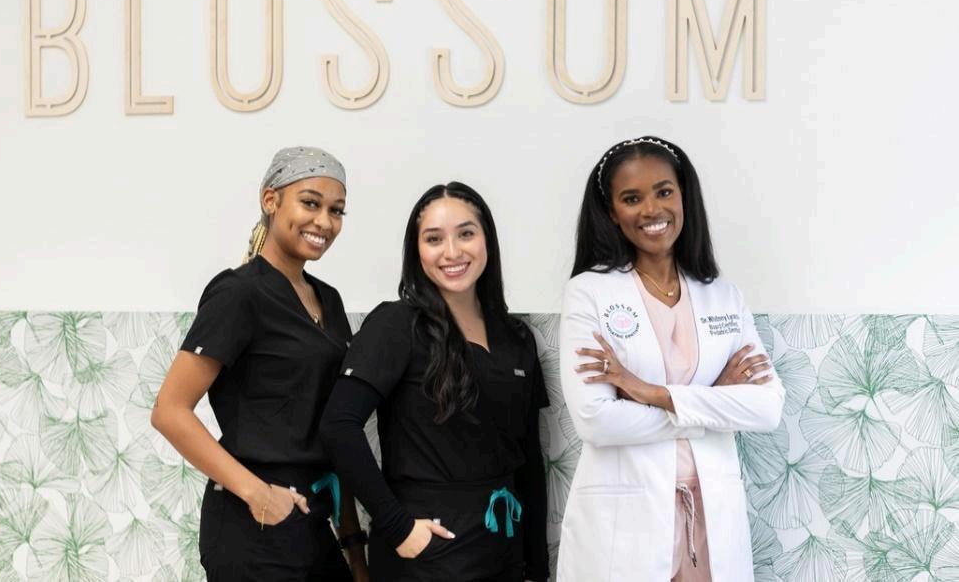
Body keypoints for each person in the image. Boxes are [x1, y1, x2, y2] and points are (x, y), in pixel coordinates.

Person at [556, 137, 785, 582]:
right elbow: (596, 421)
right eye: (631, 198)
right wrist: (711, 403)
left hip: (711, 517)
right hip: (627, 522)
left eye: (663, 191)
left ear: (683, 196)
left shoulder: (723, 296)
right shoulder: (589, 292)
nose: (651, 209)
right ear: (611, 212)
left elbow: (767, 407)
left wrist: (651, 393)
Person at [151, 147, 368, 582]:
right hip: (254, 525)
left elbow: (336, 426)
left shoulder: (329, 299)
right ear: (271, 200)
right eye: (310, 203)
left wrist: (353, 549)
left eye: (336, 210)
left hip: (316, 520)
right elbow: (169, 411)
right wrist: (258, 494)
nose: (324, 222)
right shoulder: (238, 293)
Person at [320, 182, 549, 582]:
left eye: (466, 233)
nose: (452, 251)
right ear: (417, 251)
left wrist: (537, 567)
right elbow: (338, 425)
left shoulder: (517, 338)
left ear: (487, 240)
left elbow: (529, 457)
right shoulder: (396, 324)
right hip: (427, 550)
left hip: (504, 547)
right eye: (434, 239)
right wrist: (398, 528)